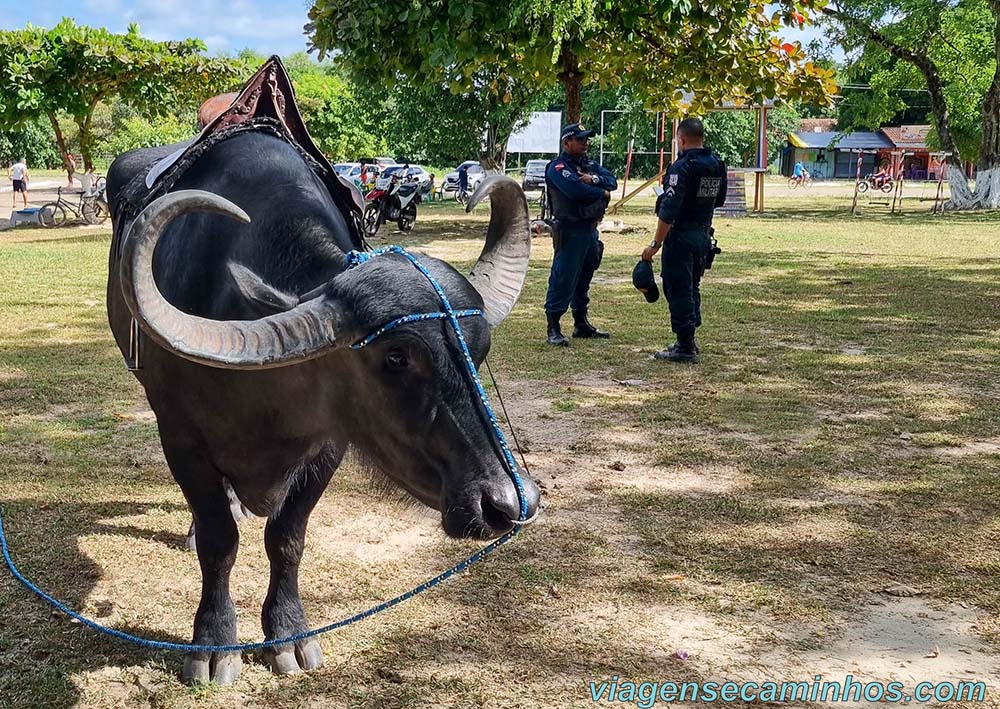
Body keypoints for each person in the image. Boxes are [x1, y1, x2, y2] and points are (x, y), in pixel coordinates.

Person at [641, 117, 727, 363]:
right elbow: (719, 200)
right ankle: (688, 338)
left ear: (681, 139)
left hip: (681, 236)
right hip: (703, 234)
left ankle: (685, 345)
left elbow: (669, 209)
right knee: (692, 286)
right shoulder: (716, 164)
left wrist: (655, 244)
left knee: (677, 287)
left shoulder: (682, 167)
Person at [543, 122, 618, 346]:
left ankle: (581, 323)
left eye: (586, 139)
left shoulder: (590, 165)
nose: (585, 143)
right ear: (567, 142)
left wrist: (594, 180)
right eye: (580, 139)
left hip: (590, 229)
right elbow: (576, 191)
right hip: (570, 229)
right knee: (563, 277)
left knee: (585, 277)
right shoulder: (558, 168)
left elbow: (611, 181)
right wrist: (601, 192)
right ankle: (553, 326)